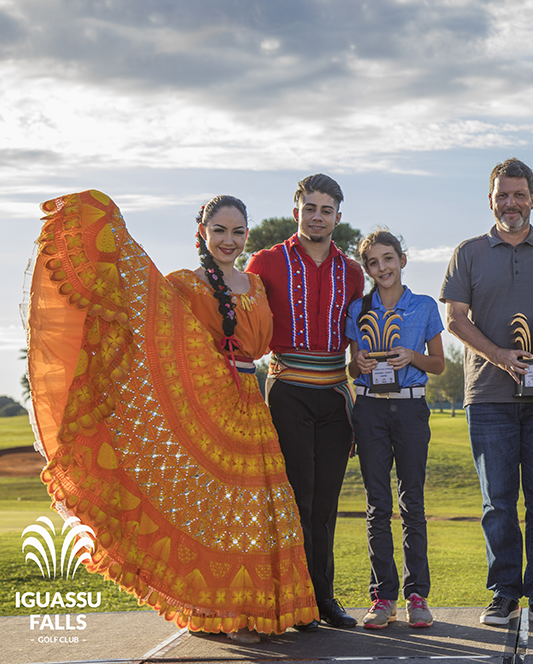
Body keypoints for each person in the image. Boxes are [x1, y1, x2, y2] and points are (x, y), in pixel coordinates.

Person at [25, 191, 319, 644]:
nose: (229, 239)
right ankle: (227, 612)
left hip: (251, 402)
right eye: (218, 230)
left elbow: (261, 347)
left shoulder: (255, 286)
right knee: (218, 509)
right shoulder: (184, 284)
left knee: (261, 506)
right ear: (202, 232)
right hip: (206, 403)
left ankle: (261, 608)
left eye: (237, 231)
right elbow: (157, 331)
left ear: (247, 235)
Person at [440, 158, 533, 628]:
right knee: (497, 502)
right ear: (491, 199)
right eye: (502, 195)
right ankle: (504, 595)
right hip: (488, 398)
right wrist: (501, 357)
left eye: (519, 194)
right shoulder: (469, 252)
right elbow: (455, 318)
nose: (511, 203)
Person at [246, 174, 365, 629]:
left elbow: (360, 336)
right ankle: (290, 603)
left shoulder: (351, 271)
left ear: (338, 215)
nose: (317, 217)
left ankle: (323, 600)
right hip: (288, 390)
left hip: (335, 396)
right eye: (309, 208)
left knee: (325, 504)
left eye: (326, 210)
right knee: (295, 500)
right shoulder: (265, 262)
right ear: (296, 209)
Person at [346, 230, 445, 629]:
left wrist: (413, 356)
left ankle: (416, 595)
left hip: (409, 409)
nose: (382, 267)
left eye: (388, 258)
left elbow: (439, 364)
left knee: (413, 504)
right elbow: (351, 367)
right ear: (367, 268)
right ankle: (383, 596)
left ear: (402, 260)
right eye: (373, 262)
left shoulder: (422, 307)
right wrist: (361, 365)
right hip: (369, 409)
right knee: (376, 507)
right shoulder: (358, 308)